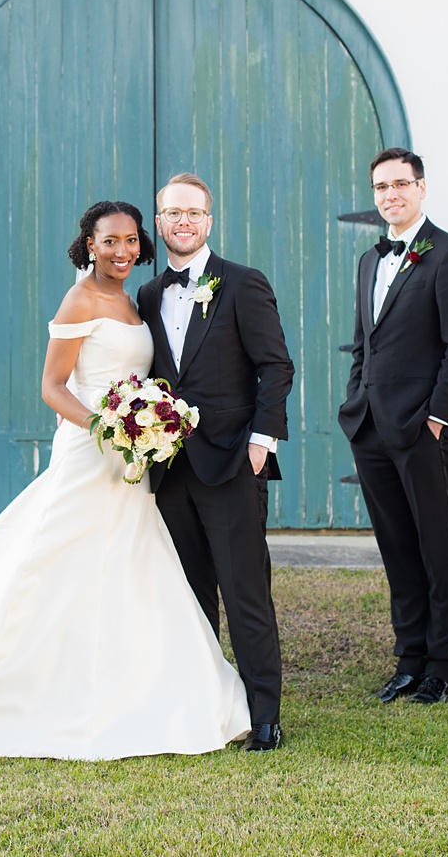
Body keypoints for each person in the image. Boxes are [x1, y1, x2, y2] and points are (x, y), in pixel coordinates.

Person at [0, 202, 249, 759]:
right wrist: (108, 429)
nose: (122, 251)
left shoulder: (136, 301)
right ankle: (12, 687)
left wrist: (144, 427)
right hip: (91, 452)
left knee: (132, 566)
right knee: (51, 561)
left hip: (131, 462)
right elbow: (53, 386)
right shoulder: (80, 296)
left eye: (131, 241)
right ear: (89, 243)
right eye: (110, 240)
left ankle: (139, 689)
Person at [136, 173, 296, 752]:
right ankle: (204, 705)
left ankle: (265, 714)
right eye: (172, 213)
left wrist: (262, 442)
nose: (183, 222)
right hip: (170, 467)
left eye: (193, 213)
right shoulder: (149, 295)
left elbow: (276, 367)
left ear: (209, 220)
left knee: (245, 589)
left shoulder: (243, 283)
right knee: (190, 592)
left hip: (233, 462)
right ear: (159, 221)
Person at [339, 147, 448, 706]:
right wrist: (355, 401)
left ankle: (441, 668)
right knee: (397, 548)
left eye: (401, 184)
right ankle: (409, 659)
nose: (390, 194)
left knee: (437, 547)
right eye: (380, 186)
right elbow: (363, 343)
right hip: (370, 427)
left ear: (422, 188)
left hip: (426, 430)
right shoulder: (370, 261)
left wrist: (437, 418)